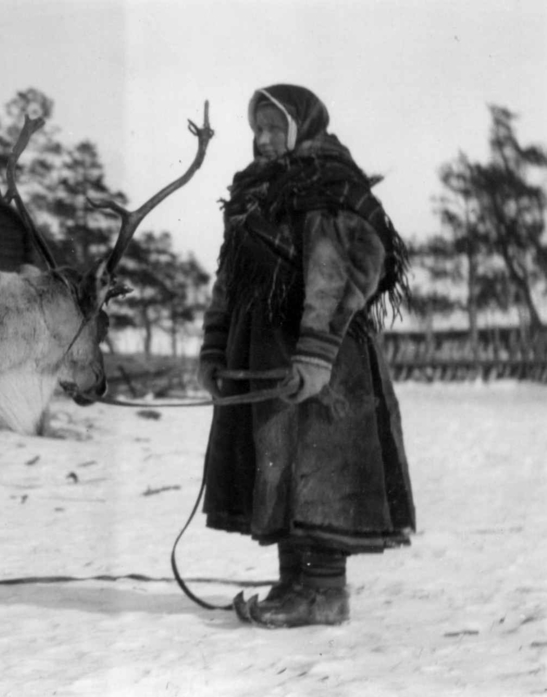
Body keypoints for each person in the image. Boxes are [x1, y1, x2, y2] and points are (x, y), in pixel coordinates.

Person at [198, 84, 416, 628]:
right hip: (265, 346)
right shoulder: (255, 192)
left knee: (322, 466)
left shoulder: (328, 184)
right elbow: (229, 279)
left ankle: (324, 592)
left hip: (327, 355)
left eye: (275, 128)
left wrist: (316, 353)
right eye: (258, 128)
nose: (264, 139)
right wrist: (214, 347)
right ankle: (295, 583)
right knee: (277, 462)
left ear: (302, 126)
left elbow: (335, 273)